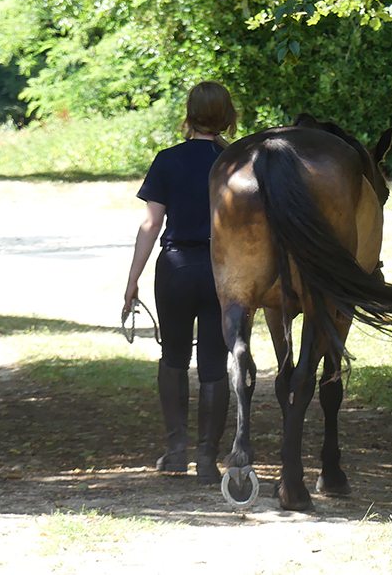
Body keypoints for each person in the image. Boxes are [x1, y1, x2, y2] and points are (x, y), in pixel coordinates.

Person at [122, 81, 237, 484]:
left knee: (172, 357)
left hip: (175, 267)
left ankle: (175, 451)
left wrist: (132, 280)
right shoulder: (235, 162)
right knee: (214, 364)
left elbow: (151, 223)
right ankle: (207, 459)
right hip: (222, 272)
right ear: (226, 116)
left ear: (189, 114)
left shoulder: (168, 160)